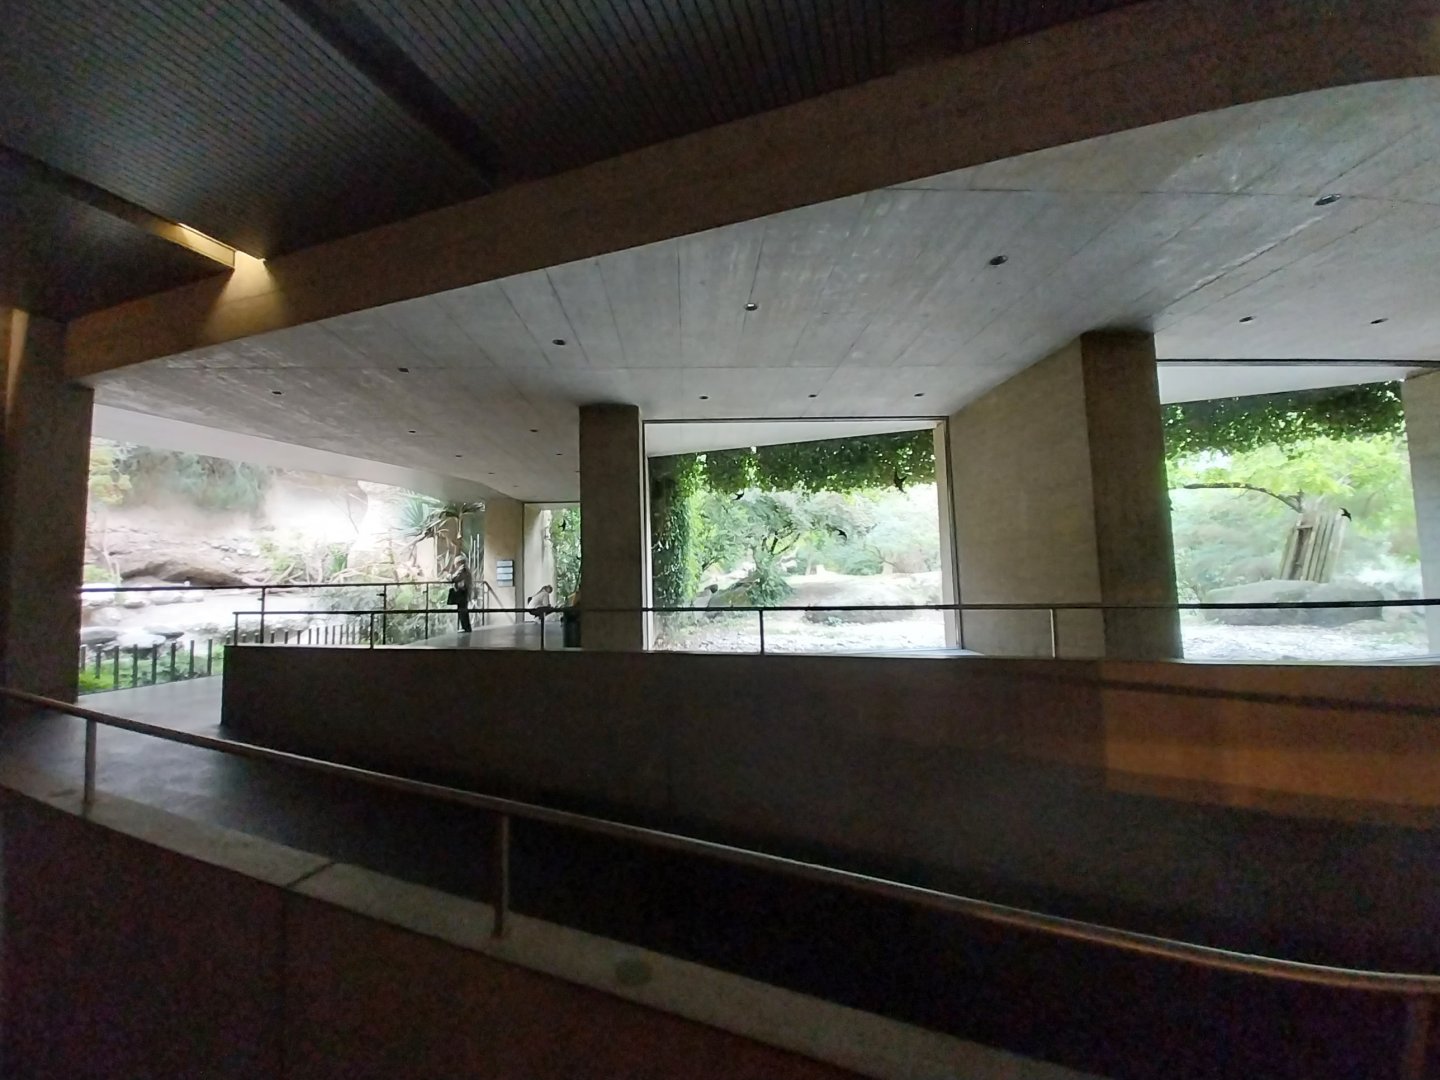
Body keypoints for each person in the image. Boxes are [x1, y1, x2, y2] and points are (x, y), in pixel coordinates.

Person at [450, 554, 473, 633]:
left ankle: (465, 627)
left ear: (459, 563)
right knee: (463, 609)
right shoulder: (465, 569)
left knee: (462, 610)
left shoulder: (462, 569)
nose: (455, 566)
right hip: (464, 591)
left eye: (456, 564)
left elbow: (454, 578)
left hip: (462, 592)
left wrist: (449, 576)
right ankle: (465, 627)